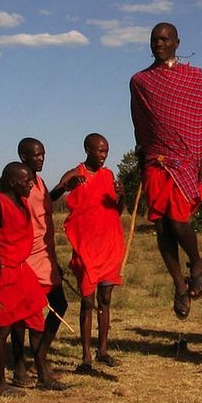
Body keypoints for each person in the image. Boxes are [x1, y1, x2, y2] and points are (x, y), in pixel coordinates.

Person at [130, 22, 202, 320]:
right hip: (156, 161)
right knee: (162, 226)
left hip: (188, 159)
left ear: (178, 43)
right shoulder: (140, 81)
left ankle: (197, 263)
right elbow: (139, 120)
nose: (159, 43)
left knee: (179, 221)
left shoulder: (194, 76)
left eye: (165, 39)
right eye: (155, 39)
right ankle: (179, 284)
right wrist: (141, 152)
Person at [0, 162, 56, 395]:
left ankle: (43, 376)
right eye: (26, 181)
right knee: (3, 329)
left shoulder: (22, 202)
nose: (31, 184)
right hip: (3, 272)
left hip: (22, 271)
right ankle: (0, 384)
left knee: (36, 320)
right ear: (13, 182)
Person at [54, 133, 126, 371]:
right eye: (100, 151)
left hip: (108, 245)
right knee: (87, 301)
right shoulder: (76, 174)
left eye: (106, 151)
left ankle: (102, 350)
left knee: (105, 300)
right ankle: (86, 356)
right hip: (86, 248)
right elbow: (51, 197)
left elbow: (116, 209)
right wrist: (66, 186)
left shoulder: (108, 176)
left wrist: (122, 195)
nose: (104, 155)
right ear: (87, 149)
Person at [13, 137, 68, 388]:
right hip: (27, 257)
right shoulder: (20, 185)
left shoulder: (40, 182)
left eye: (43, 154)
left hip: (45, 254)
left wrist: (62, 188)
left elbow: (44, 207)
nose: (41, 158)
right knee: (24, 315)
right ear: (23, 157)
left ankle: (40, 357)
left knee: (59, 303)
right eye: (36, 155)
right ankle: (19, 367)